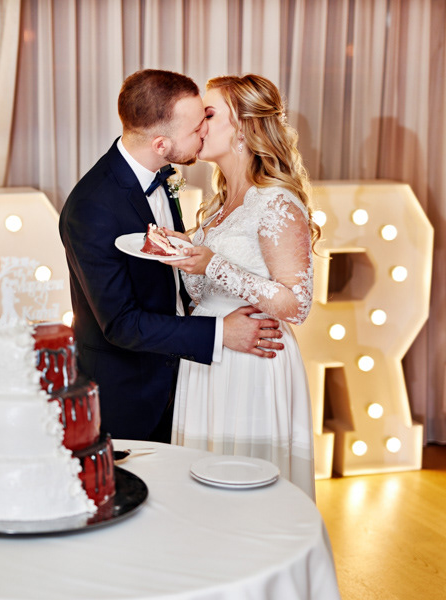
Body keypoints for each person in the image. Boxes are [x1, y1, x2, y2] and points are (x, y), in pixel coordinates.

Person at [59, 69, 284, 443]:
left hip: (184, 381)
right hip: (127, 396)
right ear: (161, 144)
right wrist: (221, 332)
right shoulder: (92, 207)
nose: (204, 131)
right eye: (198, 126)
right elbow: (121, 324)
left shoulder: (162, 174)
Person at [163, 74, 319, 499]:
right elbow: (205, 297)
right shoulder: (217, 207)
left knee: (247, 494)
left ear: (245, 128)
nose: (198, 125)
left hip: (252, 365)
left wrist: (213, 264)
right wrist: (184, 255)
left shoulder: (276, 203)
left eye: (209, 115)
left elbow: (297, 304)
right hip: (209, 357)